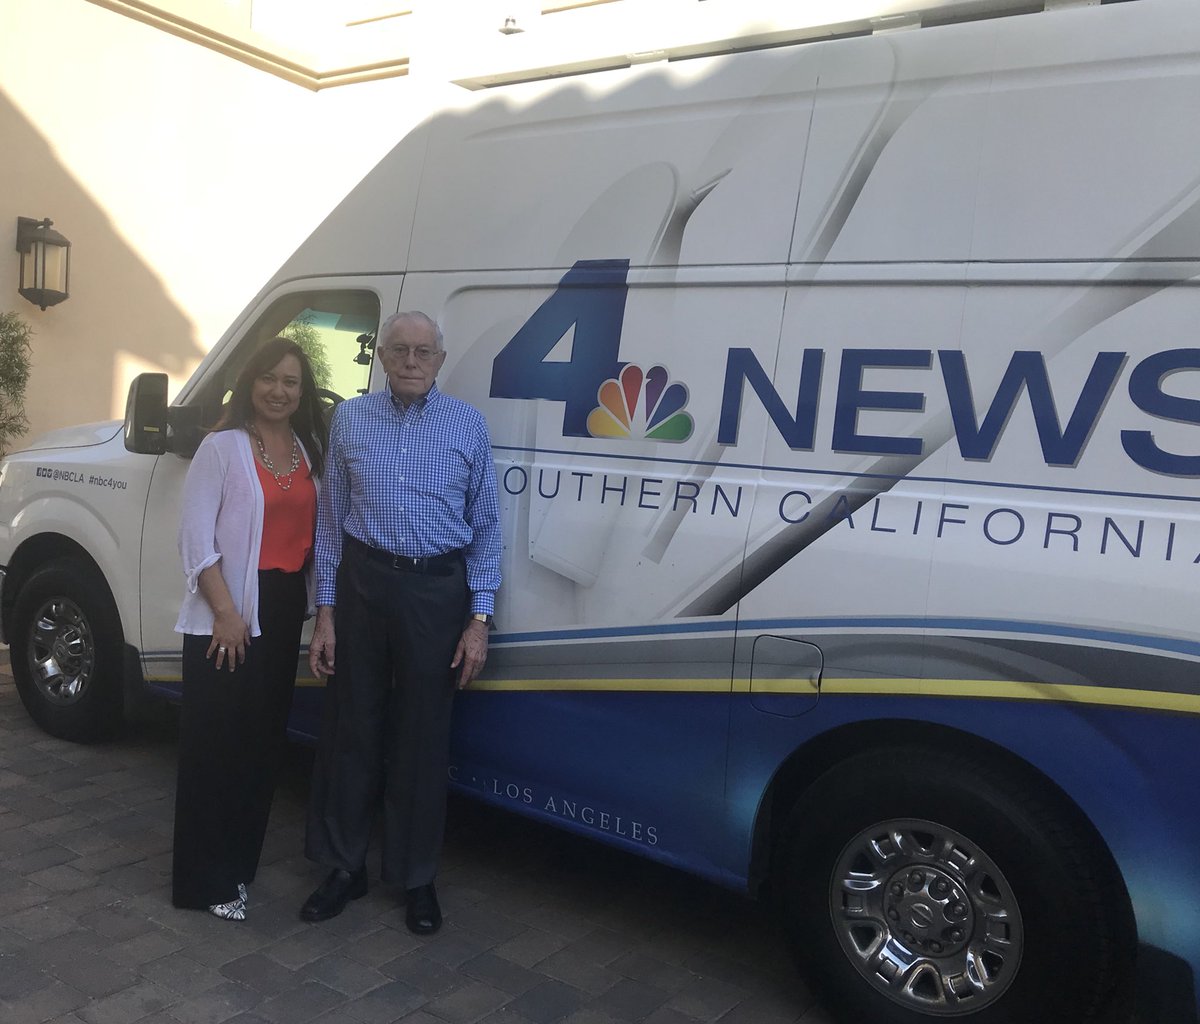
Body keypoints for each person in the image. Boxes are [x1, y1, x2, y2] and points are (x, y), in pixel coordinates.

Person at [300, 310, 501, 935]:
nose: (412, 361)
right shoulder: (351, 419)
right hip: (362, 585)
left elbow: (487, 530)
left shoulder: (468, 425)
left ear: (441, 360)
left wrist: (479, 620)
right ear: (381, 358)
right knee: (350, 730)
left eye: (424, 352)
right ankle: (343, 868)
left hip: (435, 593)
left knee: (421, 737)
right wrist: (326, 613)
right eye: (399, 351)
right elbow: (330, 522)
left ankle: (416, 878)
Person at [172, 337, 326, 921]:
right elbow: (195, 541)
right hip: (228, 614)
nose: (279, 391)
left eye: (291, 381)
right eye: (269, 378)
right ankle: (201, 881)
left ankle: (237, 870)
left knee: (261, 746)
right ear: (249, 382)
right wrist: (228, 613)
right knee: (216, 748)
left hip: (282, 610)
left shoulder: (308, 449)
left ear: (302, 391)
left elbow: (314, 539)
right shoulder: (222, 447)